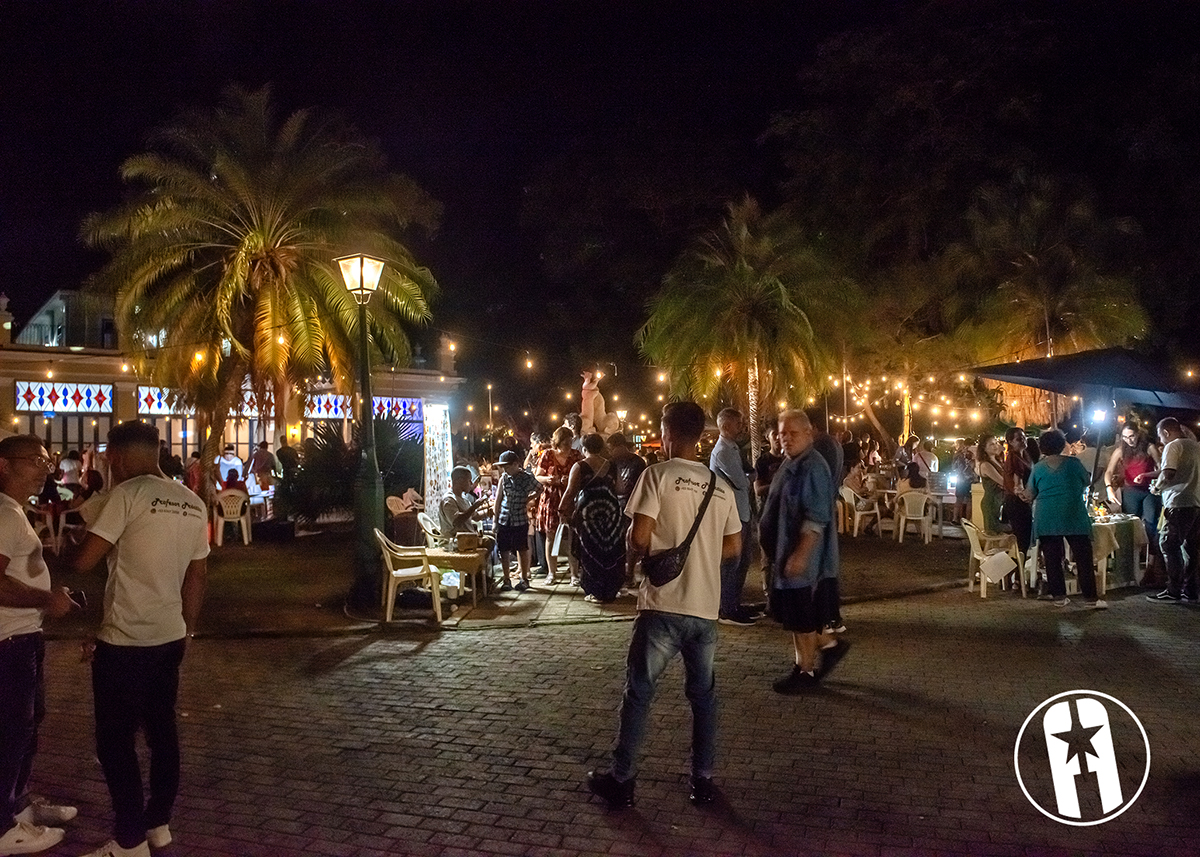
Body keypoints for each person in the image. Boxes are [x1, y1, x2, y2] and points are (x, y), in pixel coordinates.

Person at [586, 402, 741, 809]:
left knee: (639, 693)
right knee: (703, 697)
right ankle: (702, 780)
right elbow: (734, 547)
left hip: (662, 605)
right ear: (701, 435)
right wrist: (701, 556)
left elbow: (639, 538)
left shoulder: (657, 475)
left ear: (667, 433)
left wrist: (644, 549)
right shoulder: (720, 486)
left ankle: (622, 779)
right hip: (704, 609)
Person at [71, 420, 210, 857]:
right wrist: (188, 628)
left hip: (124, 639)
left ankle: (129, 840)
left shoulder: (127, 495)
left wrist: (88, 526)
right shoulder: (192, 502)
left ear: (115, 457)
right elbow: (197, 574)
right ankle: (158, 823)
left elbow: (84, 561)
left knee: (115, 741)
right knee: (162, 731)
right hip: (170, 636)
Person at [0, 436, 78, 857]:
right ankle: (3, 829)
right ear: (4, 465)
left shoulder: (14, 512)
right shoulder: (4, 514)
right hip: (9, 641)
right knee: (11, 732)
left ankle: (18, 806)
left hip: (24, 635)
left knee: (26, 727)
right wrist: (48, 598)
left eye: (47, 462)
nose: (45, 470)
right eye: (35, 461)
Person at [760, 410, 849, 693]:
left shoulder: (813, 467)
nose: (785, 439)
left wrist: (801, 554)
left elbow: (816, 517)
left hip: (805, 562)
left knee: (803, 619)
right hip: (786, 554)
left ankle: (806, 671)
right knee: (796, 618)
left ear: (809, 433)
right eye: (782, 434)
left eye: (793, 433)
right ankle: (816, 656)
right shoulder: (792, 462)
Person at [1027, 429, 1106, 609]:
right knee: (1083, 558)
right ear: (1062, 445)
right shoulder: (1074, 463)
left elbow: (1030, 493)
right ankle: (1090, 598)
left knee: (1052, 558)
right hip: (1073, 513)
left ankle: (1059, 597)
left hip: (1047, 515)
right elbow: (1087, 481)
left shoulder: (1038, 467)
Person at [560, 434, 624, 602]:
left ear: (584, 448)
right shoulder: (611, 465)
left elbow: (570, 491)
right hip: (611, 512)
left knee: (591, 549)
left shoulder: (579, 466)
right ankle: (611, 588)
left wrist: (562, 508)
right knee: (610, 548)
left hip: (589, 513)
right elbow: (620, 488)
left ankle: (595, 591)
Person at [709, 408, 755, 626]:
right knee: (732, 563)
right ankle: (726, 609)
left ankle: (733, 604)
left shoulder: (733, 449)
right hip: (731, 515)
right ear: (726, 426)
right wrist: (750, 477)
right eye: (738, 424)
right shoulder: (723, 452)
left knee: (743, 561)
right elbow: (742, 481)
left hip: (741, 511)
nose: (742, 427)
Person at [1146, 417, 1200, 603]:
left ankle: (1173, 589)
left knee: (1168, 544)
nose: (1161, 440)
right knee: (1190, 547)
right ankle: (1190, 590)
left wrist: (1157, 487)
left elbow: (1168, 472)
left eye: (1160, 436)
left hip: (1178, 502)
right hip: (1196, 502)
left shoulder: (1173, 446)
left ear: (1166, 432)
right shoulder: (1195, 446)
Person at [1105, 423, 1164, 581]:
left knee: (1151, 526)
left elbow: (1161, 469)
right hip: (1131, 491)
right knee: (1129, 526)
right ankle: (1130, 566)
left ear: (1138, 434)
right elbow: (1109, 471)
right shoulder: (1120, 450)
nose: (1129, 440)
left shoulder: (1149, 447)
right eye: (1125, 437)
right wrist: (1109, 488)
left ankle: (1151, 566)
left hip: (1149, 490)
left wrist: (1146, 475)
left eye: (1131, 436)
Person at [534, 426, 582, 586]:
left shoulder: (576, 455)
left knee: (572, 537)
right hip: (551, 499)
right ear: (558, 442)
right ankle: (551, 573)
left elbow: (583, 474)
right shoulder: (547, 454)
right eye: (565, 443)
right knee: (550, 536)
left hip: (570, 499)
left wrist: (571, 480)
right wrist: (549, 480)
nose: (568, 446)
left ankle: (574, 574)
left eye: (570, 442)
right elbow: (538, 476)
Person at [492, 450, 540, 591]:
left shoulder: (527, 478)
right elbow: (498, 500)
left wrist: (529, 498)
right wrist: (495, 521)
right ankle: (506, 579)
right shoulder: (504, 478)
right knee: (504, 550)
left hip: (520, 519)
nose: (505, 470)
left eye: (507, 467)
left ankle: (524, 578)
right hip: (504, 518)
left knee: (522, 548)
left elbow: (540, 488)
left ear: (515, 464)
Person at [437, 466, 494, 552]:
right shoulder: (449, 500)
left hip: (467, 538)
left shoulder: (464, 498)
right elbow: (457, 521)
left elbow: (475, 516)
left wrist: (490, 511)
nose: (471, 483)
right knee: (488, 542)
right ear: (459, 481)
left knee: (492, 537)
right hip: (454, 541)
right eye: (469, 480)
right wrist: (475, 505)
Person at [1002, 426, 1034, 557]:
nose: (1023, 441)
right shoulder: (1014, 458)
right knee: (1022, 540)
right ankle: (1018, 567)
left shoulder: (1024, 456)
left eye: (1024, 437)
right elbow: (1017, 485)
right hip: (1017, 503)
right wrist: (1026, 496)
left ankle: (1019, 566)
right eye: (1019, 439)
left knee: (1023, 539)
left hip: (1017, 501)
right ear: (1010, 442)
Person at [606, 433, 646, 515]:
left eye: (611, 449)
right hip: (625, 504)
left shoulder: (611, 462)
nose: (610, 452)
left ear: (620, 446)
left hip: (629, 504)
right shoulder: (639, 461)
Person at [974, 436, 1007, 534]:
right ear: (984, 448)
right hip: (992, 502)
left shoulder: (997, 461)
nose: (996, 446)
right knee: (993, 533)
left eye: (996, 443)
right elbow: (1003, 482)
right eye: (991, 444)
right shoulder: (986, 465)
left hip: (999, 500)